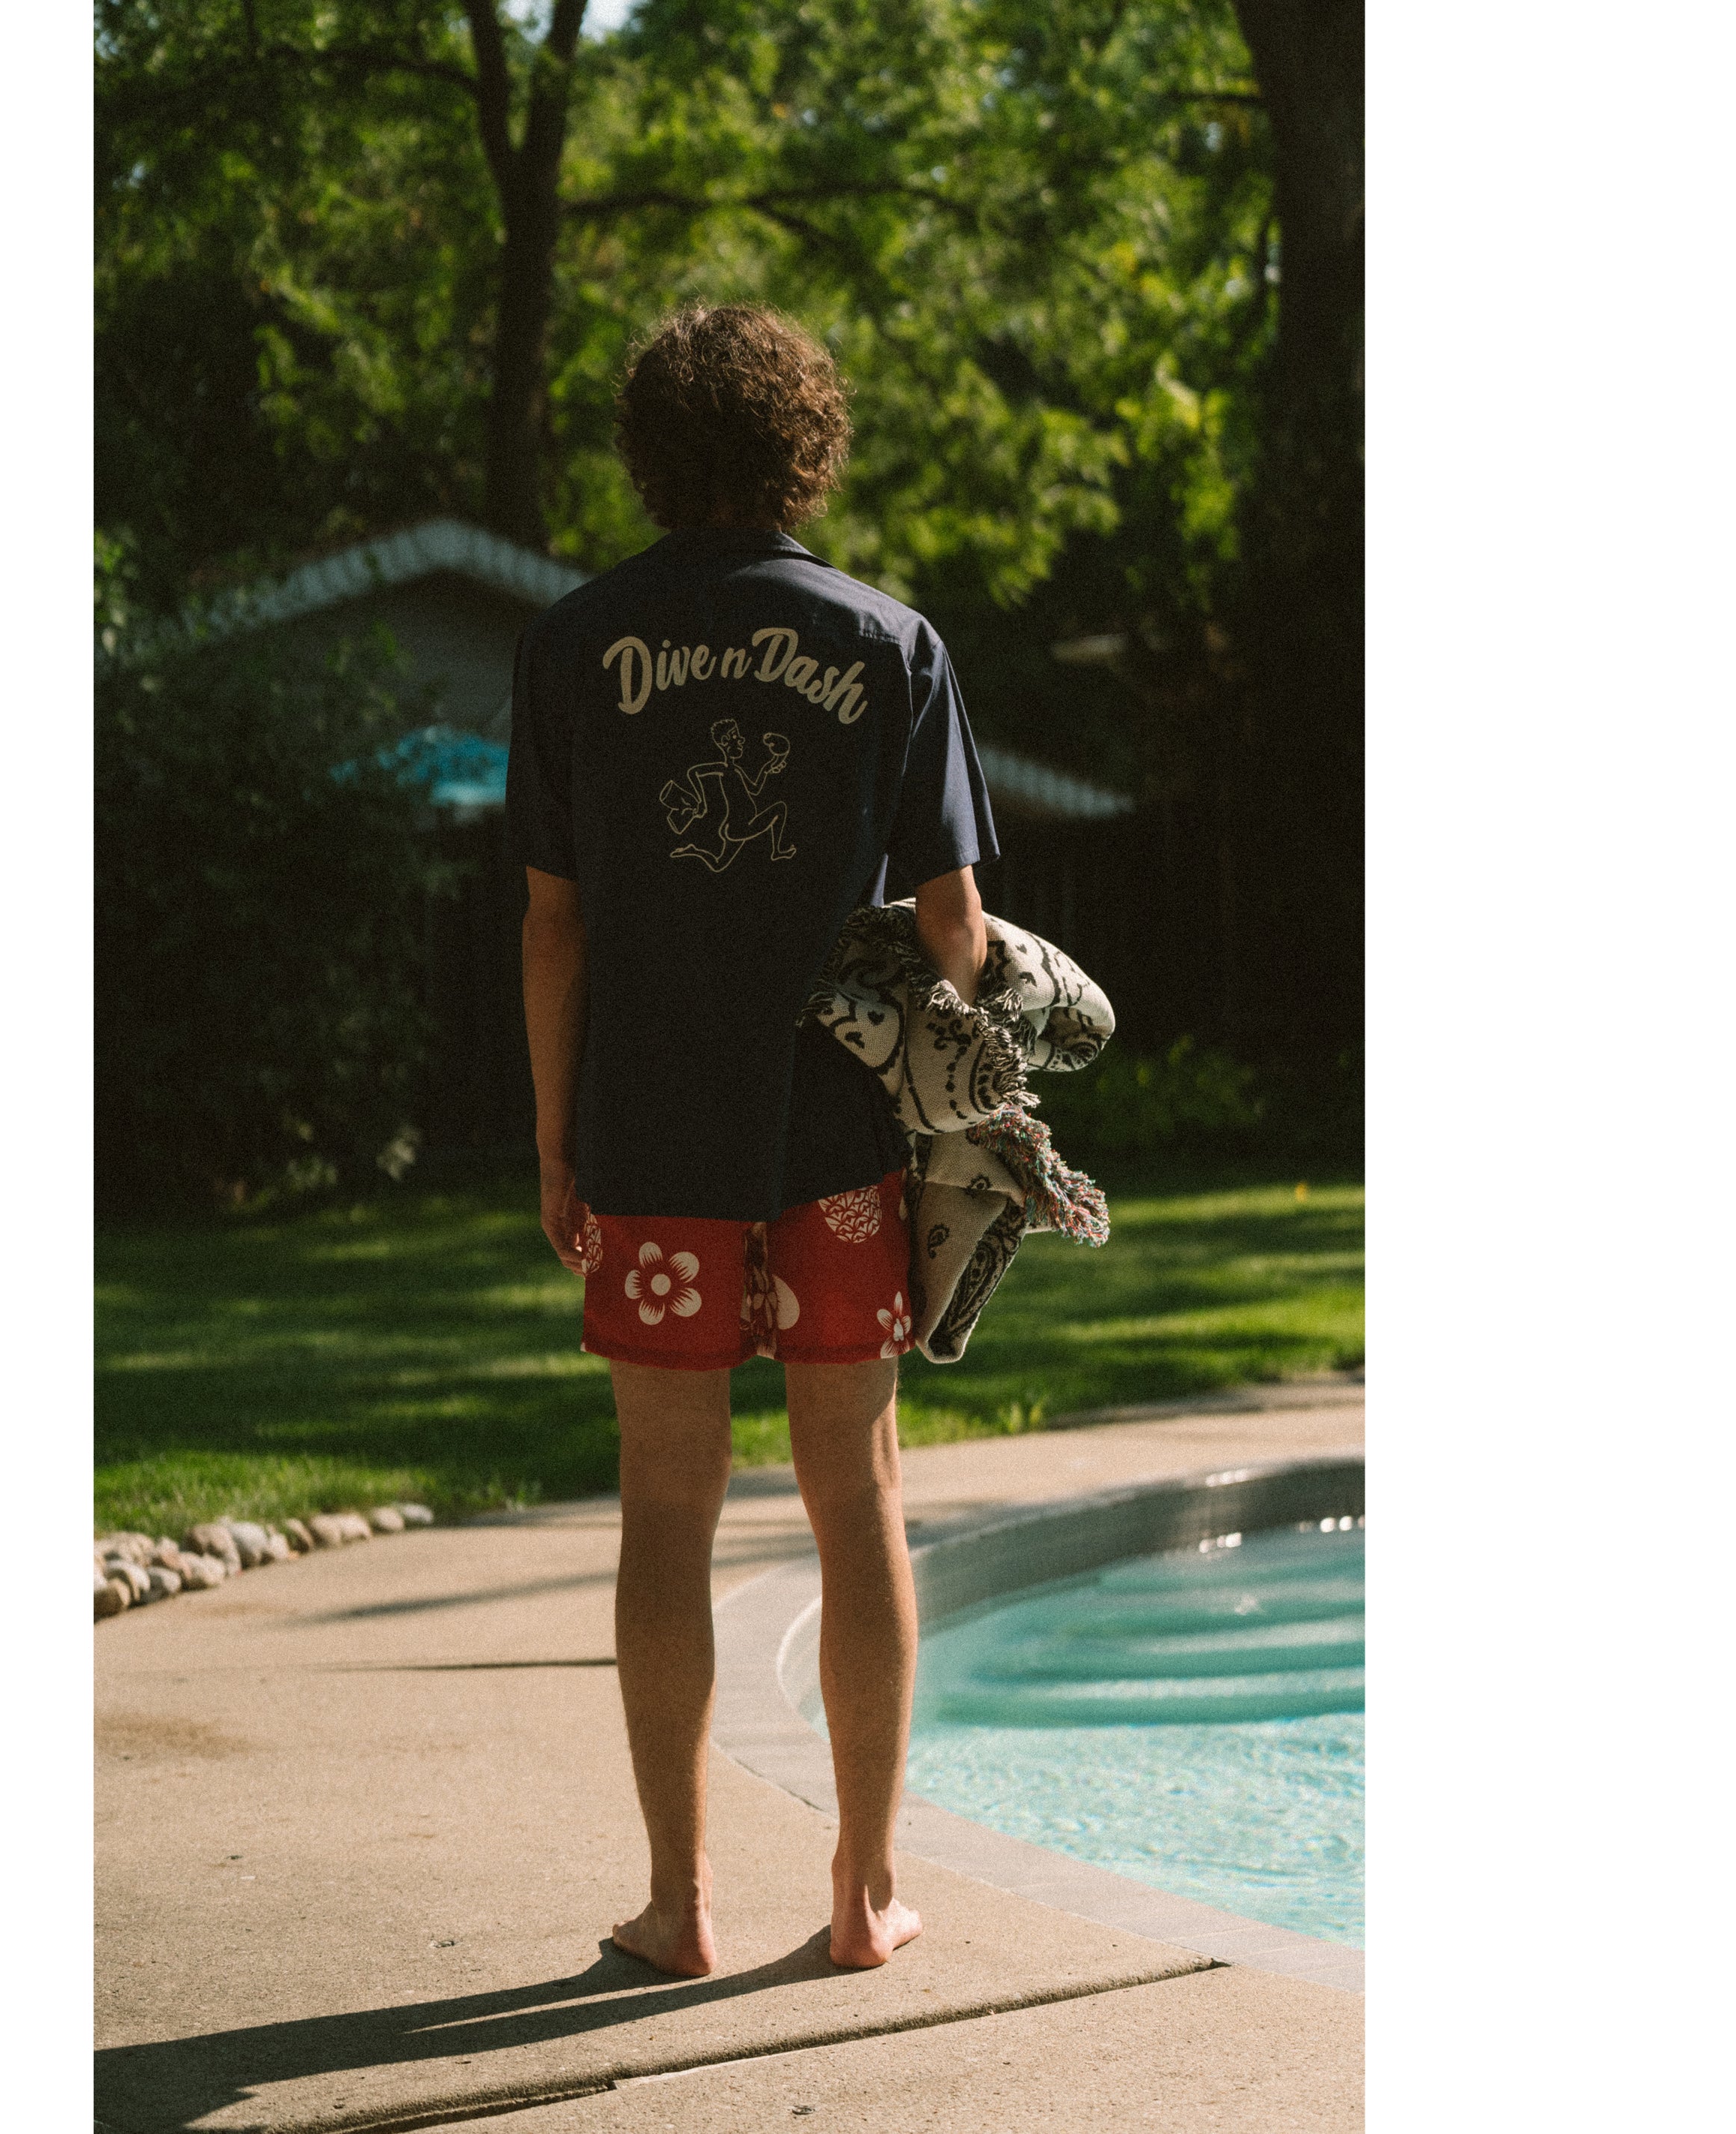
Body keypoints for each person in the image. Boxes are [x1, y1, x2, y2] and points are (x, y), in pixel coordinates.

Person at [506, 304, 996, 1976]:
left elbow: (553, 925)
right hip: (839, 1138)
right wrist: (996, 1048)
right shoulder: (890, 641)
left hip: (649, 1138)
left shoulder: (573, 645)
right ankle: (860, 1901)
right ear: (807, 441)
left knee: (667, 1506)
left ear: (653, 449)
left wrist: (558, 1140)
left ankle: (679, 1905)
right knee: (854, 1493)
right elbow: (950, 921)